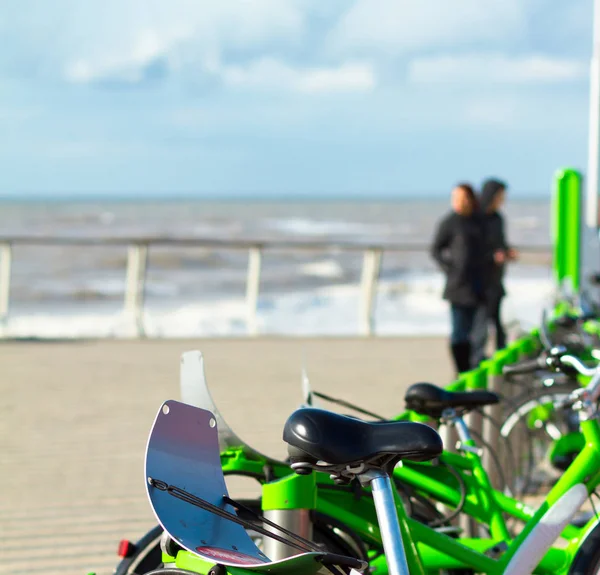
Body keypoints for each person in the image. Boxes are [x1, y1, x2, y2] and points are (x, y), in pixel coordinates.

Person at [431, 183, 485, 374]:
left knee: (480, 336)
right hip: (458, 287)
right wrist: (451, 269)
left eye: (463, 198)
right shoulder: (449, 222)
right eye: (456, 198)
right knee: (459, 335)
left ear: (471, 199)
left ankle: (475, 370)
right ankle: (461, 372)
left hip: (480, 287)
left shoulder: (479, 221)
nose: (460, 202)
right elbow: (435, 249)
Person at [471, 179, 518, 365]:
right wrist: (492, 256)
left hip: (496, 279)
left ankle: (500, 362)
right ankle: (476, 362)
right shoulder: (475, 218)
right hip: (478, 281)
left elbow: (500, 243)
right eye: (500, 196)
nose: (503, 200)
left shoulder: (498, 218)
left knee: (497, 323)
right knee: (480, 325)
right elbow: (470, 249)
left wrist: (507, 252)